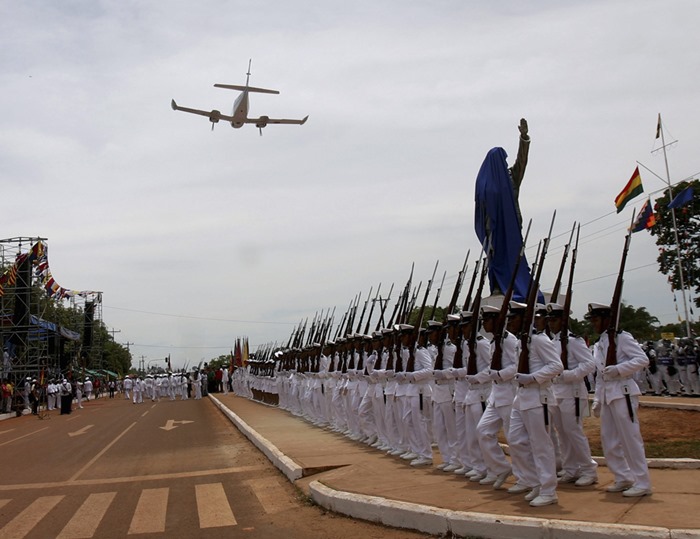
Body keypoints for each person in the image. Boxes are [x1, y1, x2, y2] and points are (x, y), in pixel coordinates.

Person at [588, 302, 652, 497]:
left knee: (630, 439)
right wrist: (597, 398)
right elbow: (600, 375)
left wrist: (619, 369)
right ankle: (623, 476)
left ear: (607, 319)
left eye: (596, 320)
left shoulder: (622, 338)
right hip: (608, 394)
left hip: (623, 392)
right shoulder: (599, 343)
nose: (594, 324)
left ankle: (642, 482)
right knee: (609, 440)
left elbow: (642, 359)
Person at [546, 303, 598, 487]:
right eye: (549, 320)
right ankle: (570, 468)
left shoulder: (574, 341)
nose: (551, 323)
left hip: (573, 392)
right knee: (563, 433)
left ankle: (588, 470)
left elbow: (589, 364)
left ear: (563, 320)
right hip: (557, 393)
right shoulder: (552, 342)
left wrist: (568, 375)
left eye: (554, 320)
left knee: (574, 432)